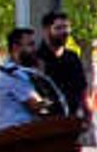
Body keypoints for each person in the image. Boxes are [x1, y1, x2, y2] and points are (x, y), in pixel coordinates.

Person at [0, 27, 54, 133]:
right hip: (13, 137)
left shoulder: (18, 72)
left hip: (16, 135)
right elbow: (37, 107)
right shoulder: (14, 74)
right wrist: (54, 101)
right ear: (16, 47)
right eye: (30, 45)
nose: (34, 50)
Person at [38, 9, 91, 144]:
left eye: (67, 27)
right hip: (45, 126)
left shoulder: (72, 57)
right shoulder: (37, 59)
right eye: (58, 28)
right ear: (46, 30)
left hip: (71, 124)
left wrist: (87, 114)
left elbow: (83, 89)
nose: (64, 32)